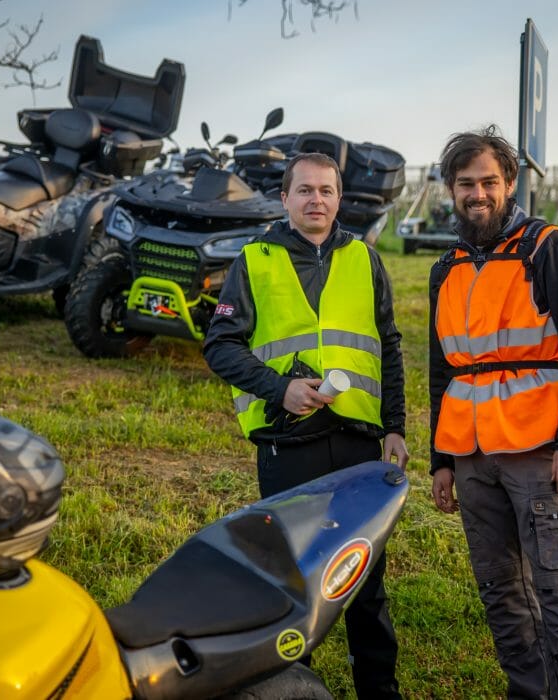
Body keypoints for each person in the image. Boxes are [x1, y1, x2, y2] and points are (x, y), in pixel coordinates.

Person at [204, 151, 408, 699]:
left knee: (366, 583)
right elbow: (220, 346)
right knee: (292, 583)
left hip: (359, 444)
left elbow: (388, 346)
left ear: (339, 199)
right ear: (285, 198)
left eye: (326, 190)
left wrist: (395, 427)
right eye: (305, 190)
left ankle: (379, 691)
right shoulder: (255, 260)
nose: (316, 199)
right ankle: (294, 689)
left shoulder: (365, 260)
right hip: (287, 444)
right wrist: (281, 388)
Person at [427, 127, 558, 699]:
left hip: (540, 453)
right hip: (471, 458)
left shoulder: (548, 248)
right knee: (502, 596)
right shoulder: (447, 267)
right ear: (451, 190)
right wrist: (441, 460)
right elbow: (442, 372)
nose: (477, 194)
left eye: (489, 182)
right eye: (465, 184)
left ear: (510, 183)